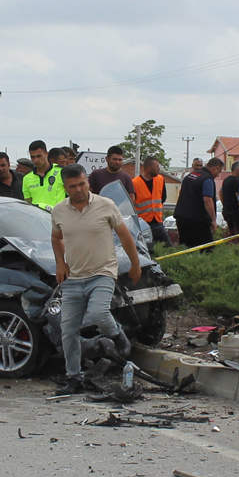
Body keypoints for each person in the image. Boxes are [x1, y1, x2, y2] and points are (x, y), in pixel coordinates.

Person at [49, 165, 141, 396]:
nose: (78, 189)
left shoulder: (105, 205)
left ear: (87, 181)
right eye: (73, 186)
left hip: (102, 273)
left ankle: (117, 335)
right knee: (68, 331)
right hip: (73, 278)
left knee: (98, 314)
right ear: (65, 187)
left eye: (82, 184)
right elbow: (56, 237)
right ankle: (73, 377)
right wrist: (60, 262)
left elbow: (124, 235)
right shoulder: (59, 211)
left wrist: (135, 263)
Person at [177, 157, 220, 248]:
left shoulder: (189, 176)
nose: (218, 175)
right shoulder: (207, 179)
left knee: (185, 248)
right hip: (197, 221)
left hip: (181, 218)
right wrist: (213, 220)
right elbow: (207, 200)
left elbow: (181, 193)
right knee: (208, 249)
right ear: (215, 168)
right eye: (218, 172)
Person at [21, 142, 66, 210]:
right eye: (33, 157)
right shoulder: (27, 178)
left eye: (39, 156)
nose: (36, 160)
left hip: (59, 217)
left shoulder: (62, 171)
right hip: (38, 218)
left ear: (46, 154)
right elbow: (28, 203)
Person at [220, 161, 239, 236]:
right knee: (237, 232)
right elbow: (238, 197)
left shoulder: (226, 180)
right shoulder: (235, 181)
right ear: (236, 169)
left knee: (231, 231)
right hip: (234, 211)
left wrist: (224, 204)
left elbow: (221, 192)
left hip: (226, 210)